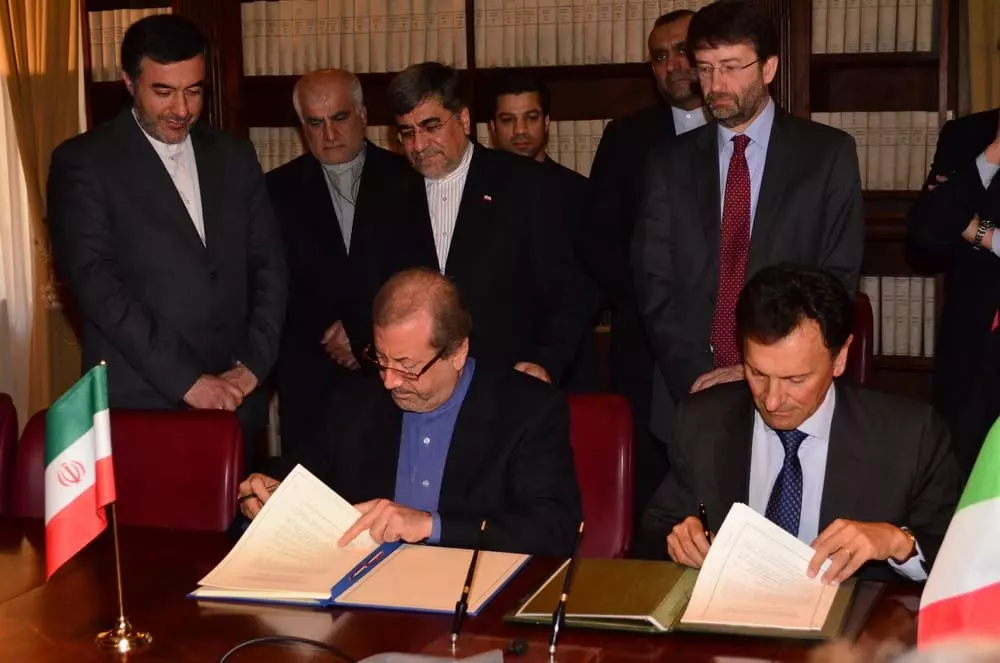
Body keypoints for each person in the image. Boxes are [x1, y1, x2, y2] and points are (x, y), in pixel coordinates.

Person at [47, 15, 286, 466]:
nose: (182, 109)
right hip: (143, 405)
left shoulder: (234, 155)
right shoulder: (84, 163)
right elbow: (99, 288)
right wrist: (188, 381)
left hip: (239, 401)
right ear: (129, 83)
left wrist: (253, 366)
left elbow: (270, 266)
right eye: (164, 91)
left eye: (194, 91)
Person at [632, 0, 864, 457]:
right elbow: (653, 282)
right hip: (690, 396)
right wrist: (699, 377)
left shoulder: (825, 155)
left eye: (731, 68)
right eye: (705, 69)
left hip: (792, 394)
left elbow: (837, 280)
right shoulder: (668, 162)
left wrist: (755, 371)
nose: (715, 85)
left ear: (769, 68)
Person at [640, 264, 961, 583]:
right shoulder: (703, 421)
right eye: (757, 373)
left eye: (795, 379)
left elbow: (960, 557)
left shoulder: (910, 435)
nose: (772, 401)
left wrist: (897, 542)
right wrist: (679, 539)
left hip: (855, 614)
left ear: (840, 358)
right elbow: (658, 527)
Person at [238, 267, 583, 556]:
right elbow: (302, 468)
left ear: (457, 353)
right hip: (369, 594)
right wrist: (266, 490)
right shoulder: (355, 403)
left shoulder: (526, 409)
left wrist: (430, 525)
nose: (389, 381)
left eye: (406, 366)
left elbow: (555, 528)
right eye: (381, 359)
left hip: (476, 591)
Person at [382, 62, 594, 386]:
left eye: (430, 126)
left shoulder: (525, 184)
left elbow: (569, 292)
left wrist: (544, 362)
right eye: (407, 133)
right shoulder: (389, 196)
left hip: (508, 381)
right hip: (418, 384)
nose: (419, 145)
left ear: (464, 119)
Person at [583, 8, 710, 521]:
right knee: (651, 497)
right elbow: (597, 241)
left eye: (682, 50)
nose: (673, 64)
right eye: (660, 56)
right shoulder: (626, 137)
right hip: (646, 341)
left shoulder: (745, 130)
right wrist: (654, 300)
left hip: (735, 339)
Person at [267, 69, 419, 456]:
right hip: (311, 386)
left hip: (393, 378)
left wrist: (361, 331)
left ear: (363, 116)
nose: (329, 134)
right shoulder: (273, 190)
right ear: (301, 127)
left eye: (339, 118)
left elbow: (419, 275)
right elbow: (269, 289)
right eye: (315, 123)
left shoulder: (409, 179)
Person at [487, 71, 601, 392]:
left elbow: (591, 284)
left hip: (569, 361)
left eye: (531, 117)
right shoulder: (476, 194)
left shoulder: (579, 193)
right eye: (508, 120)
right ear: (492, 128)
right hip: (493, 359)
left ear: (547, 122)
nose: (520, 130)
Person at [907, 107, 1000, 477]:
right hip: (973, 353)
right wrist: (992, 155)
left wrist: (984, 235)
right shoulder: (966, 134)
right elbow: (928, 232)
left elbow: (953, 217)